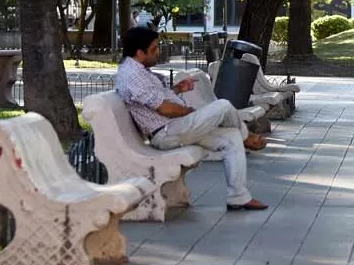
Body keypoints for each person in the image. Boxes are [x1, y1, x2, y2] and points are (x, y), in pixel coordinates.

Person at [114, 26, 268, 212]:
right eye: (154, 48)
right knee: (224, 106)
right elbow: (164, 108)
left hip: (174, 127)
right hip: (167, 132)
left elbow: (158, 100)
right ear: (140, 52)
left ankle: (238, 197)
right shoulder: (132, 76)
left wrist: (177, 90)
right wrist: (191, 113)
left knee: (231, 138)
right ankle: (248, 137)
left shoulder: (138, 71)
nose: (158, 52)